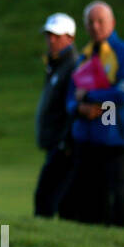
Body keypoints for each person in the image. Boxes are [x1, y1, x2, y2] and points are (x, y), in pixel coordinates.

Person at [65, 1, 124, 228]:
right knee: (87, 200)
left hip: (117, 138)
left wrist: (90, 96)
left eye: (101, 21)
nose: (95, 26)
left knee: (118, 195)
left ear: (112, 23)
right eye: (90, 22)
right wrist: (80, 108)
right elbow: (71, 98)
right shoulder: (84, 57)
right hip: (87, 139)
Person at [33, 13, 80, 217]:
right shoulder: (56, 65)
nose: (51, 40)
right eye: (48, 35)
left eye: (56, 35)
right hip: (55, 143)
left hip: (64, 146)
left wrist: (66, 141)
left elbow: (73, 107)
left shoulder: (73, 66)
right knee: (59, 200)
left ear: (70, 38)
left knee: (46, 198)